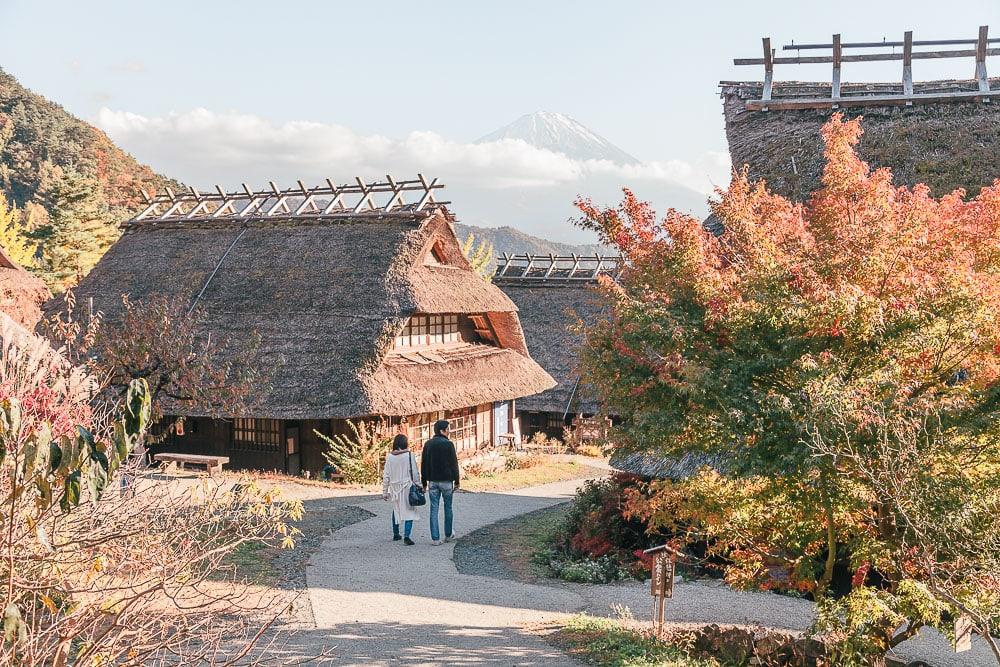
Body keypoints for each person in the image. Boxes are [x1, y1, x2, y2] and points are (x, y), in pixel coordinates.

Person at [421, 419, 460, 545]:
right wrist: (457, 480)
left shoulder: (428, 444)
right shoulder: (448, 444)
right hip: (447, 481)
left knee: (434, 509)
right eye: (448, 429)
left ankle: (435, 538)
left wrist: (424, 482)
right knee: (448, 507)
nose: (449, 431)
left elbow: (424, 464)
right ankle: (448, 534)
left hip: (433, 481)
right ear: (442, 430)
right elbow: (454, 464)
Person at [382, 434, 420, 545]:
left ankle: (396, 534)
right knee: (409, 510)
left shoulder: (389, 457)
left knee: (396, 509)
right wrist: (419, 485)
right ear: (405, 443)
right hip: (407, 486)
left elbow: (386, 475)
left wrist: (385, 491)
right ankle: (407, 536)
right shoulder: (409, 456)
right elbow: (415, 473)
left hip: (394, 488)